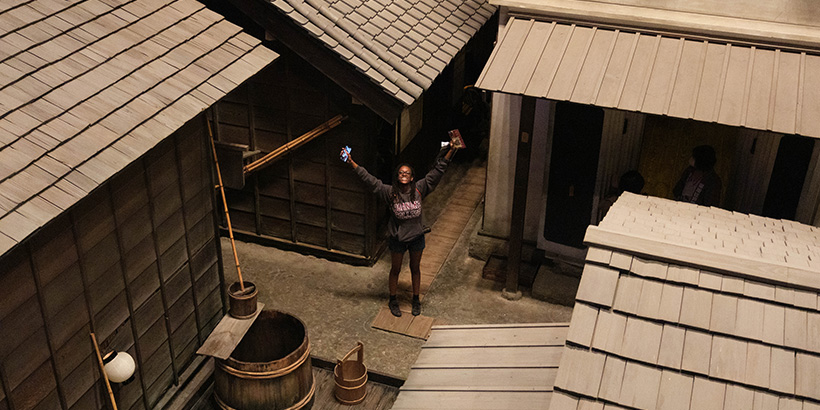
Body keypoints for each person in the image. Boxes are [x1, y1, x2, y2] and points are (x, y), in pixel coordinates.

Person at [341, 137, 458, 317]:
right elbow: (370, 180)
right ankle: (393, 299)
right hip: (397, 239)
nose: (403, 174)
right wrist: (351, 162)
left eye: (407, 173)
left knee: (415, 268)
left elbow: (438, 170)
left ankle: (416, 300)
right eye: (401, 172)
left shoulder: (420, 188)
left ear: (412, 177)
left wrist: (451, 150)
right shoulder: (390, 193)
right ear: (398, 176)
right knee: (395, 269)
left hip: (417, 237)